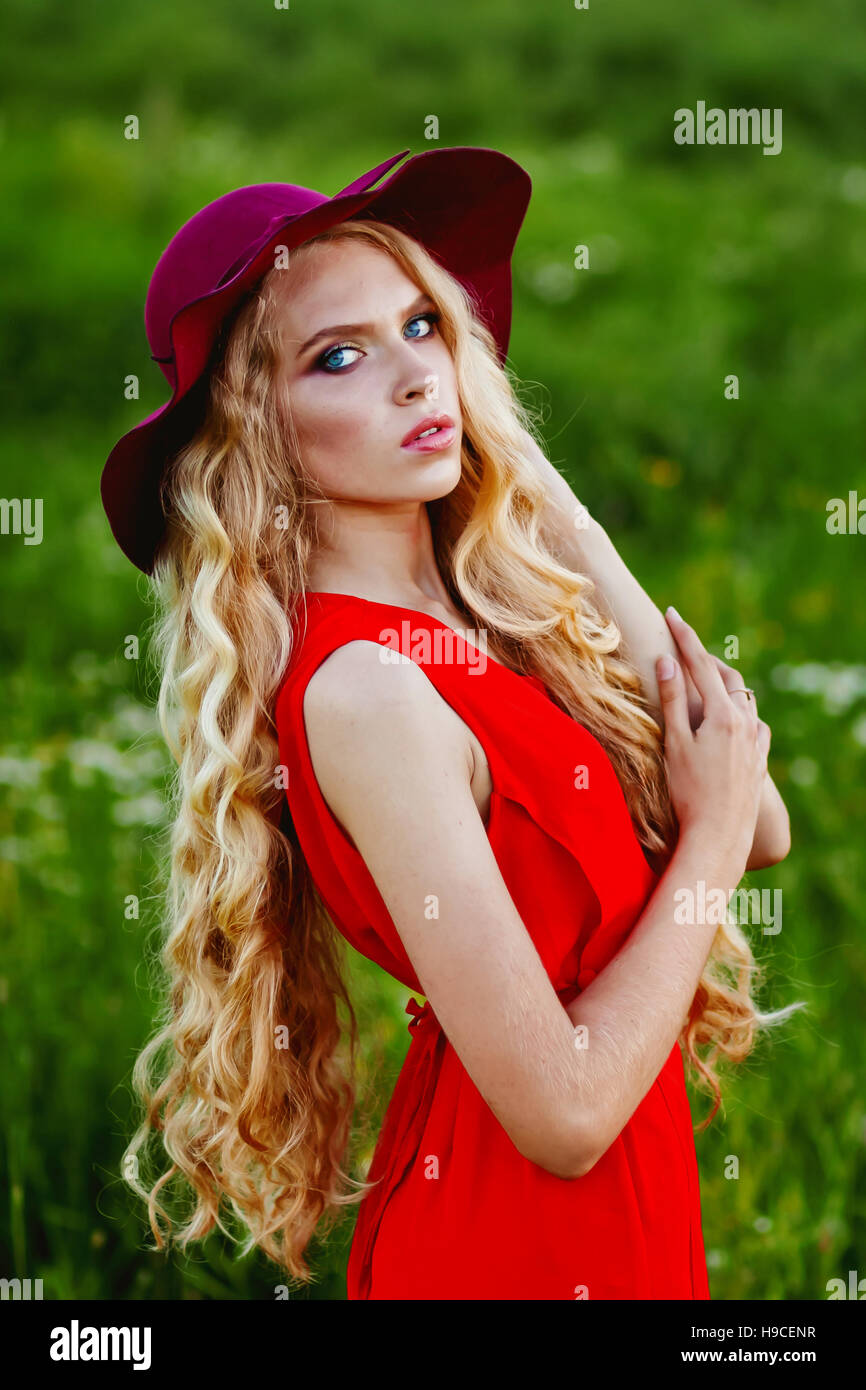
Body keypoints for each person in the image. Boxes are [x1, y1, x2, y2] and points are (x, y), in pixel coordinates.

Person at [103, 148, 801, 1300]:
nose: (414, 375)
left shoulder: (492, 617)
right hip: (508, 1242)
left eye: (422, 325)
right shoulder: (367, 691)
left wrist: (555, 508)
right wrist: (712, 837)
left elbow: (756, 814)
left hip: (624, 1229)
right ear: (261, 434)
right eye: (338, 356)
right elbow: (564, 1113)